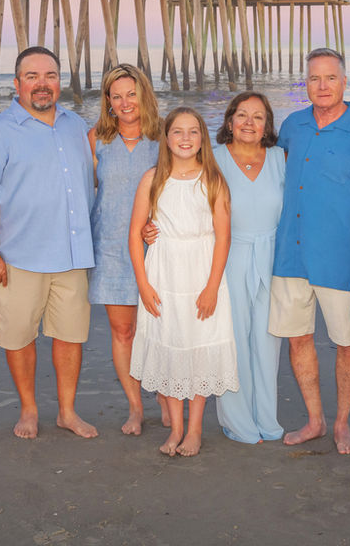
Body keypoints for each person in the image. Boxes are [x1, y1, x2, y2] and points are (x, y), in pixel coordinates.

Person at [0, 46, 99, 440]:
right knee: (19, 337)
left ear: (60, 81)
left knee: (71, 336)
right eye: (33, 77)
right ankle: (28, 409)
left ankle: (68, 412)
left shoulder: (77, 126)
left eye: (51, 76)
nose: (43, 84)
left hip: (73, 255)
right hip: (19, 256)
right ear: (17, 84)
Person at [271, 48, 350, 453]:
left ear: (344, 82)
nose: (322, 86)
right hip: (290, 255)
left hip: (340, 258)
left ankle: (341, 424)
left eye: (330, 78)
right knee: (298, 339)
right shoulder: (292, 125)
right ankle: (315, 420)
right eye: (314, 78)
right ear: (306, 83)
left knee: (347, 343)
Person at [128, 107, 239, 457]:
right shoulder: (152, 179)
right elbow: (134, 235)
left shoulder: (213, 180)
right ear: (166, 138)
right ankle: (175, 428)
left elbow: (223, 237)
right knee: (171, 344)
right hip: (164, 273)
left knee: (198, 346)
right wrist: (143, 284)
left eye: (193, 132)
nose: (186, 138)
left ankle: (194, 430)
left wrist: (211, 287)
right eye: (178, 131)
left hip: (202, 273)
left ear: (202, 139)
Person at [87, 63, 162, 436]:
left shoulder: (164, 138)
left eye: (131, 93)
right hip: (112, 248)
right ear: (108, 102)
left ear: (143, 95)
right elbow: (82, 195)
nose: (125, 101)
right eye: (116, 96)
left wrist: (158, 222)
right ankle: (135, 407)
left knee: (163, 328)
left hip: (157, 248)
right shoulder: (95, 140)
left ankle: (167, 397)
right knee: (123, 331)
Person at [213, 92, 286, 443]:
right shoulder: (212, 159)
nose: (249, 123)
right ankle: (237, 420)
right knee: (233, 340)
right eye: (242, 115)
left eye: (258, 117)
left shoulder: (279, 159)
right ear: (229, 121)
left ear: (267, 125)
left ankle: (266, 419)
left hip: (272, 257)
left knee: (267, 341)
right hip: (228, 256)